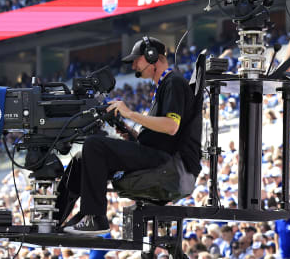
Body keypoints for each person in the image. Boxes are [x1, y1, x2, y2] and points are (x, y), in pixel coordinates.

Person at [54, 36, 200, 235]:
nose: (133, 65)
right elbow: (161, 135)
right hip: (154, 152)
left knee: (94, 145)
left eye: (136, 59)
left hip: (166, 161)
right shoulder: (164, 85)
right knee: (81, 158)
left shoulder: (173, 82)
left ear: (152, 57)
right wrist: (131, 134)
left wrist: (130, 114)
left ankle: (95, 217)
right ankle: (55, 219)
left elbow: (171, 127)